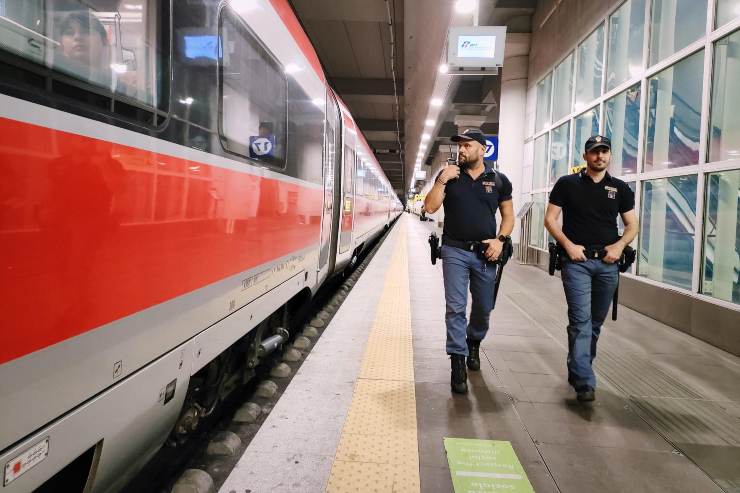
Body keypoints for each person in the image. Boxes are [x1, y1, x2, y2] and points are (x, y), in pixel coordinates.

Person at [544, 135, 638, 402]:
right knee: (581, 320)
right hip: (577, 263)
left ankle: (578, 367)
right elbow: (550, 220)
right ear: (585, 156)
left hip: (608, 264)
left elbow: (632, 225)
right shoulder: (567, 184)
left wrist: (619, 247)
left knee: (595, 323)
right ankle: (585, 380)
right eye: (595, 152)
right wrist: (569, 245)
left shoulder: (620, 188)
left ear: (610, 155)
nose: (600, 156)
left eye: (604, 151)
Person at [424, 128, 514, 394]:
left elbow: (508, 217)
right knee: (455, 307)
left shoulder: (498, 180)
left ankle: (473, 340)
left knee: (483, 308)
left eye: (467, 146)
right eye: (459, 146)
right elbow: (429, 208)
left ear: (482, 149)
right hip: (454, 250)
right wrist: (441, 181)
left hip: (486, 253)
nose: (461, 150)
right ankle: (458, 361)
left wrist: (499, 240)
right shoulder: (450, 177)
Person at [56, 11, 111, 88]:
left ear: (104, 42)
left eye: (86, 31)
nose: (77, 37)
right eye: (70, 33)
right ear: (61, 44)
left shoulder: (119, 88)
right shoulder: (52, 83)